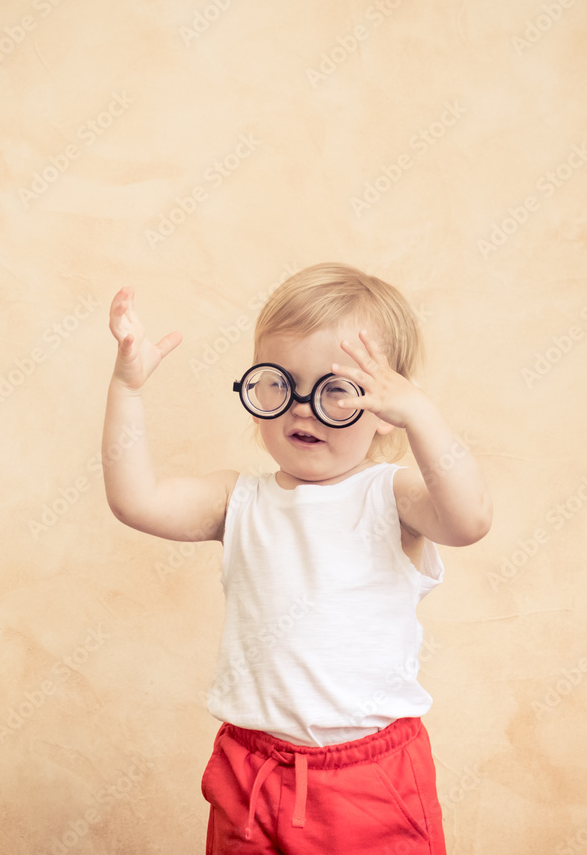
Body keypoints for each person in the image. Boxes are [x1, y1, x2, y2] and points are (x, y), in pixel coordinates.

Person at [102, 262, 492, 855]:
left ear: (384, 406)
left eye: (337, 389)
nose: (302, 408)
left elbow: (470, 520)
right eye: (280, 383)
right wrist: (127, 390)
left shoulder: (392, 496)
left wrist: (421, 414)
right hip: (251, 774)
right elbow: (136, 501)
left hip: (372, 782)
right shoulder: (239, 500)